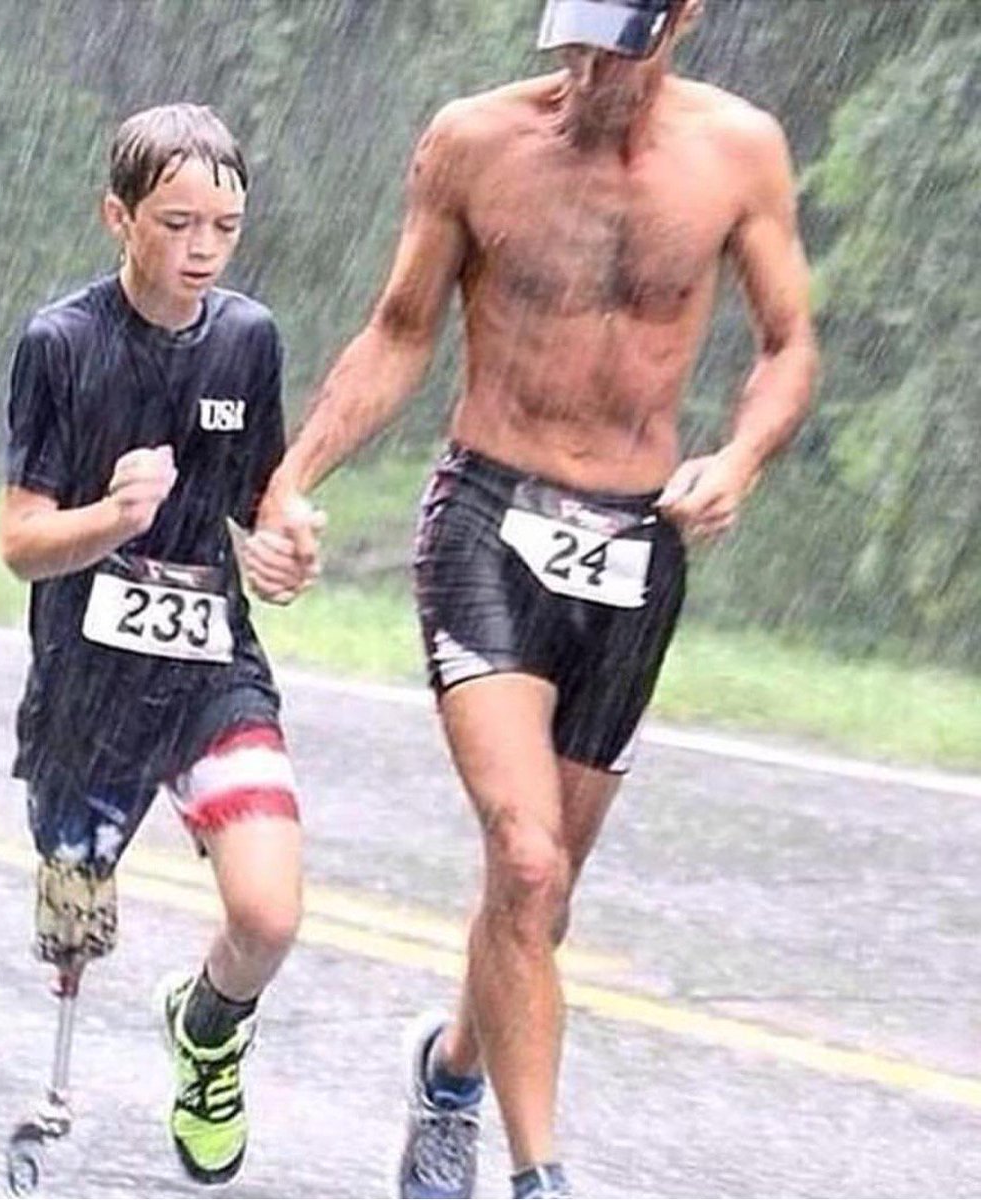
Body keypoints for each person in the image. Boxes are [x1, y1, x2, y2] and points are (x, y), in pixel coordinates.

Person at [244, 2, 819, 1196]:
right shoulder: (475, 140)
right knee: (525, 855)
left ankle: (452, 1069)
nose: (591, 67)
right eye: (575, 39)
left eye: (621, 42)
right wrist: (292, 479)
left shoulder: (738, 150)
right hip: (487, 517)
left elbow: (787, 343)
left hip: (638, 541)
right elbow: (400, 331)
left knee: (538, 901)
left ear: (683, 20)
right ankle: (539, 1175)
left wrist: (740, 459)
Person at [0, 102, 304, 1188]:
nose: (203, 249)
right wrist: (112, 522)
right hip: (88, 685)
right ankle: (53, 1100)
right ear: (117, 217)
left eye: (225, 226)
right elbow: (22, 544)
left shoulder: (249, 340)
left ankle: (208, 1033)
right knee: (75, 928)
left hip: (212, 671)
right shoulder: (61, 345)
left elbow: (262, 498)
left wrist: (284, 540)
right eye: (177, 224)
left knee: (269, 913)